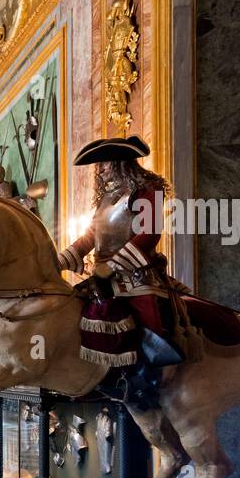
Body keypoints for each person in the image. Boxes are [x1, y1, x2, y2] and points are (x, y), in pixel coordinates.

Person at [56, 135, 191, 408]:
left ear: (119, 162)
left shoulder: (149, 189)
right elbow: (90, 236)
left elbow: (149, 234)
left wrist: (113, 266)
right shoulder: (107, 198)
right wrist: (61, 259)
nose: (99, 169)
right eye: (98, 165)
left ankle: (151, 383)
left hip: (138, 273)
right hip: (103, 273)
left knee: (148, 319)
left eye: (103, 163)